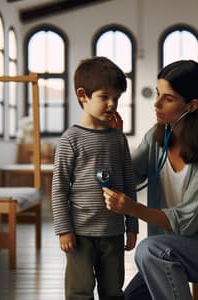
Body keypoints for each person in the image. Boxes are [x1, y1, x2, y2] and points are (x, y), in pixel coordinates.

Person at [103, 60, 198, 300]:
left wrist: (133, 208)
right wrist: (113, 140)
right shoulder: (156, 137)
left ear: (192, 105)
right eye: (158, 93)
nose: (157, 103)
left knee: (148, 250)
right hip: (169, 251)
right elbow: (126, 175)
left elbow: (186, 222)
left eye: (168, 98)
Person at [51, 56, 138, 300]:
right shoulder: (71, 139)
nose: (112, 104)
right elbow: (59, 189)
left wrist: (131, 226)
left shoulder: (118, 138)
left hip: (113, 232)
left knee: (113, 291)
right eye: (104, 97)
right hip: (80, 234)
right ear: (83, 95)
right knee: (80, 291)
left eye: (117, 98)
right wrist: (64, 230)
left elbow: (128, 183)